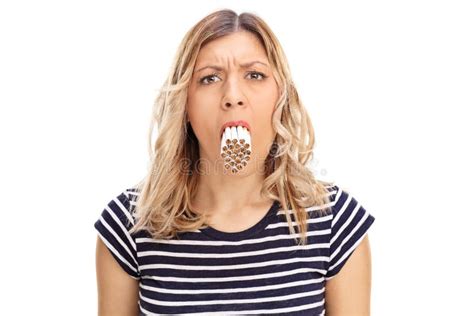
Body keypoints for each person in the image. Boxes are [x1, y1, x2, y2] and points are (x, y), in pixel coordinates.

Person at [94, 8, 375, 316]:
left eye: (254, 75)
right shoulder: (129, 224)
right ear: (184, 103)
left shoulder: (334, 221)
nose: (232, 95)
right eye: (209, 78)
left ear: (281, 96)